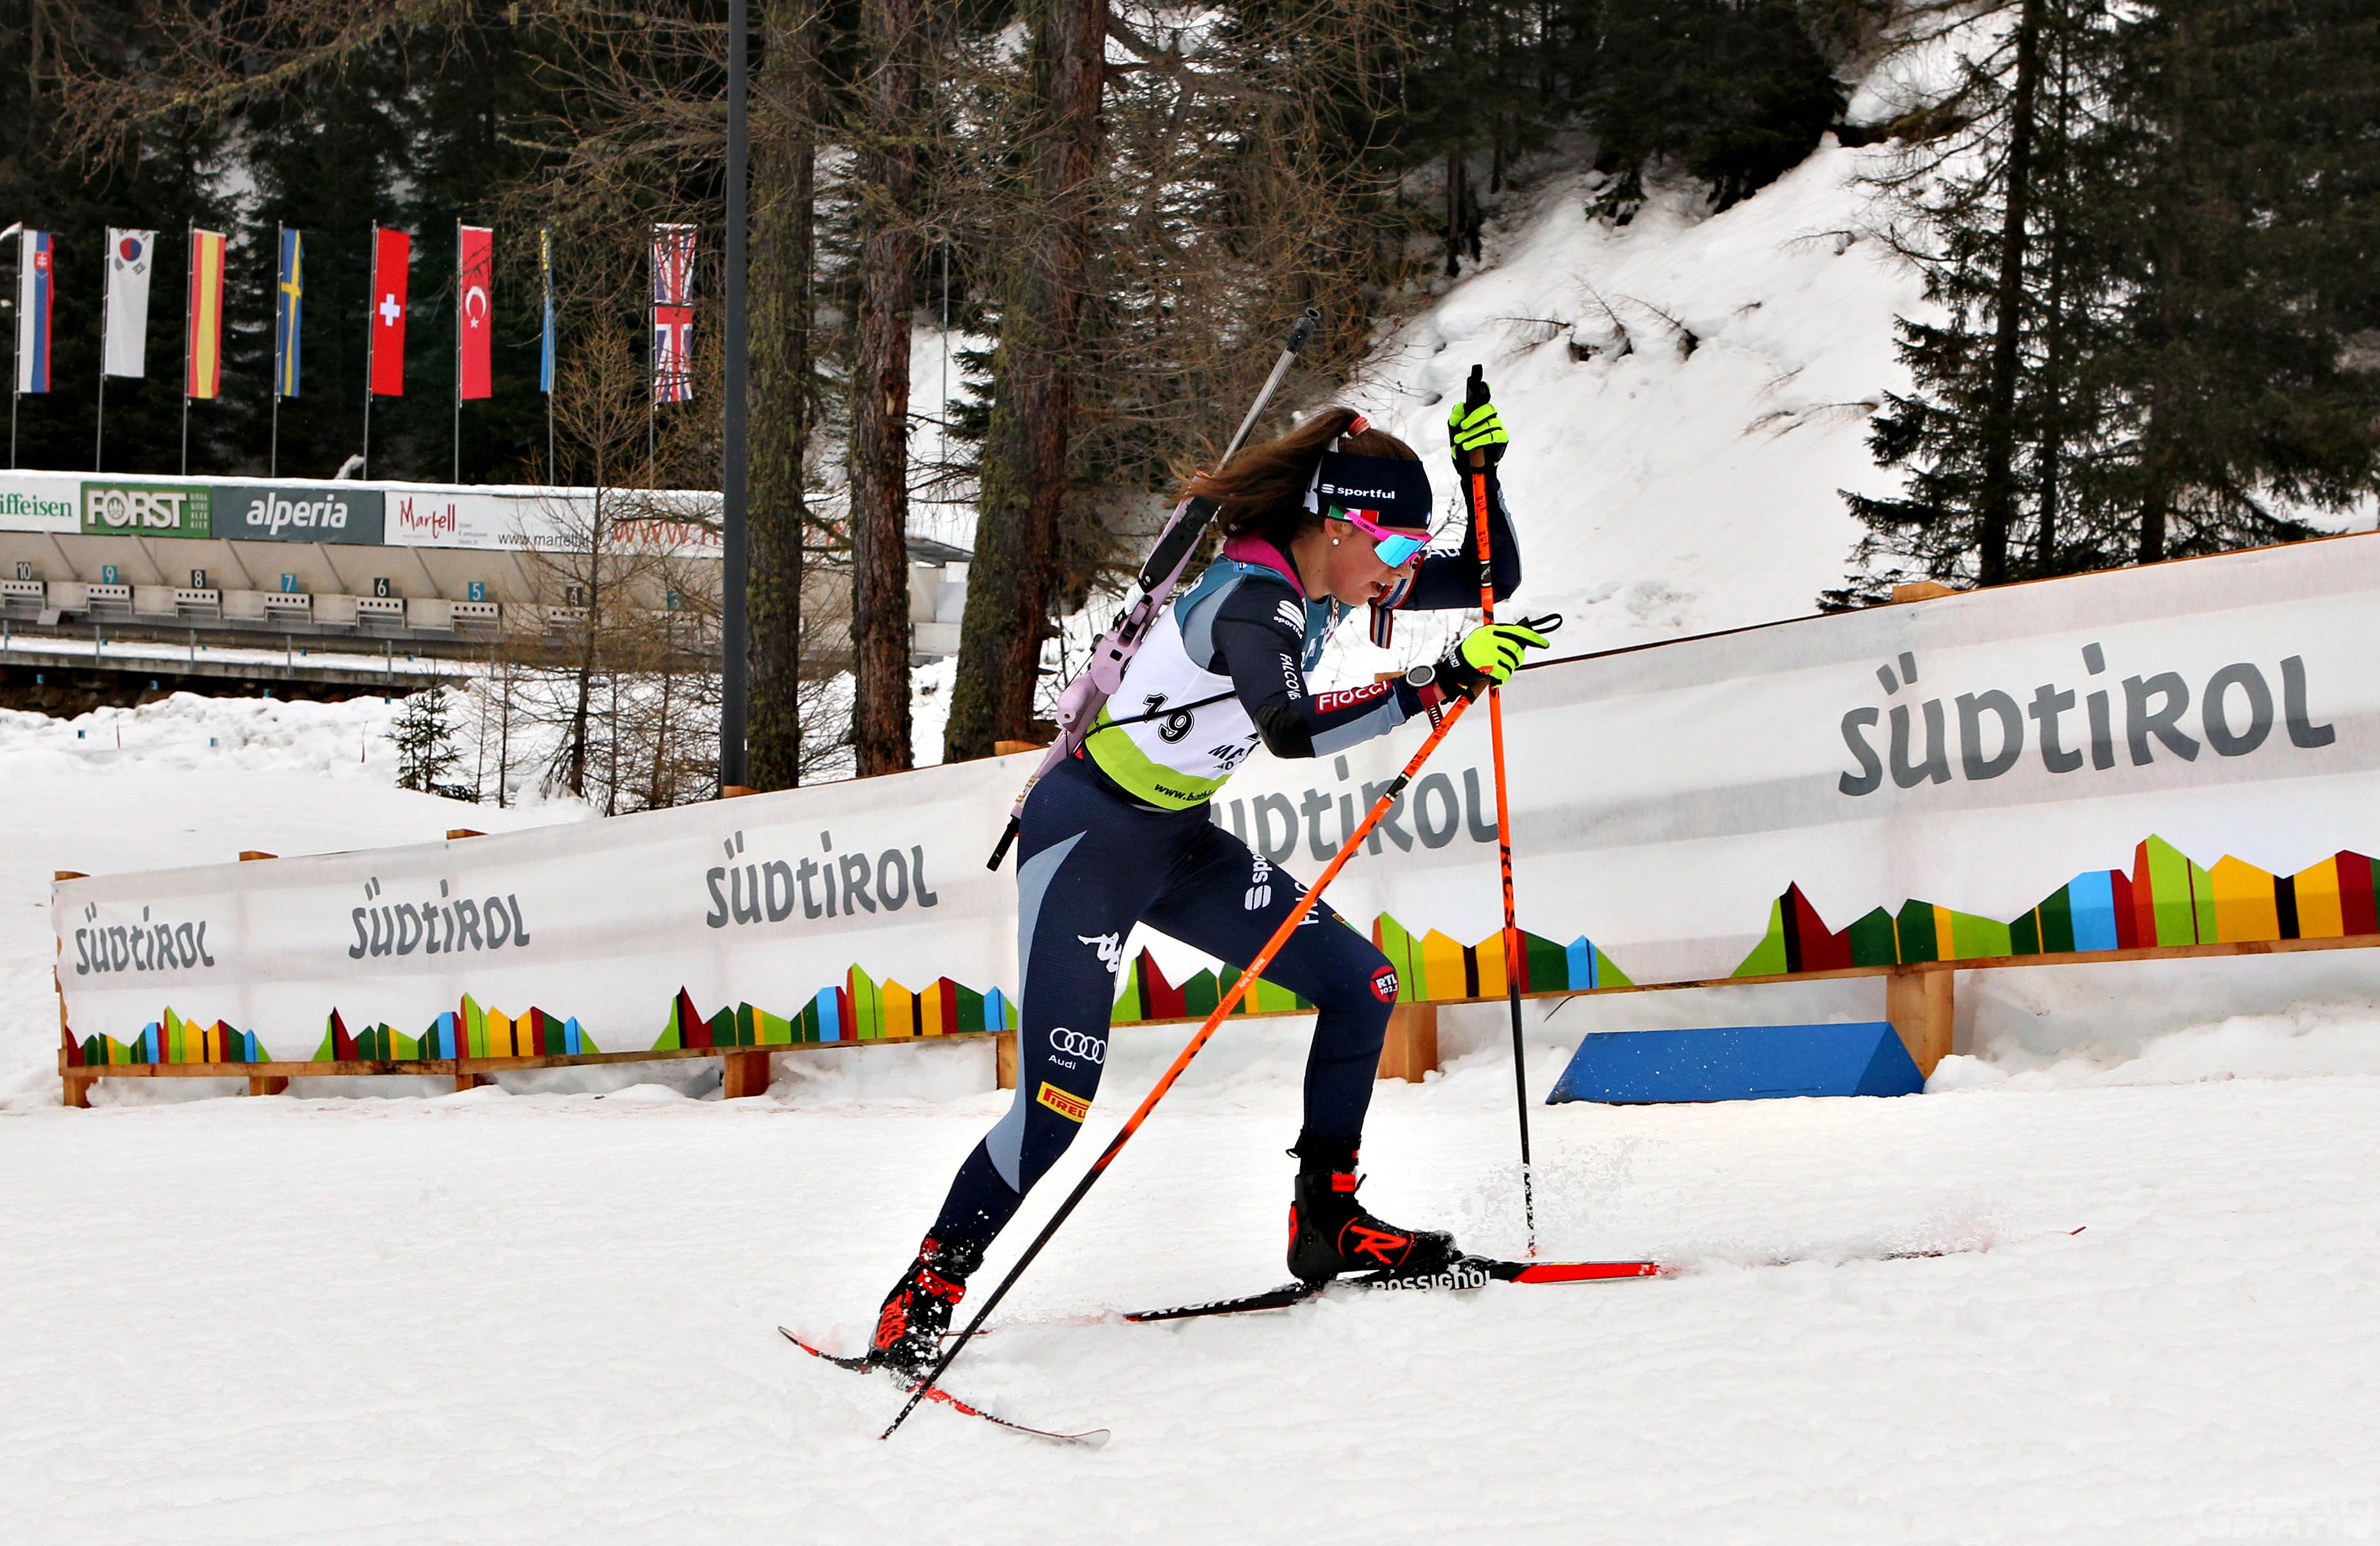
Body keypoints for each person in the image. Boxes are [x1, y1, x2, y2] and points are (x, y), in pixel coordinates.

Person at [868, 390, 1552, 1375]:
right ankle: (924, 1290)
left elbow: (1493, 575)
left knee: (1366, 986)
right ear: (1337, 524)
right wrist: (1431, 685)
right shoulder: (1253, 593)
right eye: (1396, 553)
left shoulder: (1331, 582)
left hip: (1179, 842)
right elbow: (1287, 725)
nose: (1401, 575)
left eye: (1409, 557)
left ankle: (1330, 1218)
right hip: (1088, 836)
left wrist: (1482, 476)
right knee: (1060, 1099)